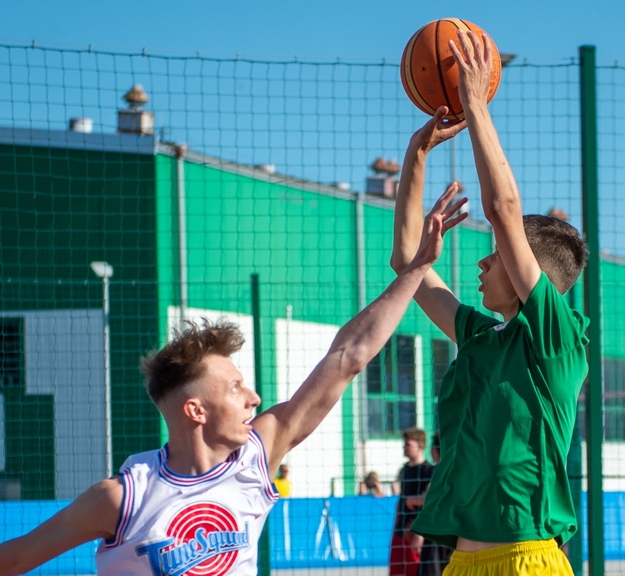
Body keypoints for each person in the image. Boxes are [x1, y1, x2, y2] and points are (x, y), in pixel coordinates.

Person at [0, 185, 467, 576]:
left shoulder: (257, 457)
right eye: (235, 387)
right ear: (195, 410)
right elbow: (17, 556)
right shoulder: (123, 497)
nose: (254, 397)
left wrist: (417, 270)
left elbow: (346, 358)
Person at [390, 29, 589, 576]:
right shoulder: (480, 336)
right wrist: (417, 154)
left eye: (495, 256)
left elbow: (503, 208)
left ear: (531, 268)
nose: (481, 264)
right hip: (461, 561)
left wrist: (476, 104)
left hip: (528, 558)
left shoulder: (555, 340)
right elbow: (407, 261)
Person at [390, 427, 434, 576]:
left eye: (408, 445)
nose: (405, 448)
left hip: (415, 531)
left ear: (420, 446)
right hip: (400, 530)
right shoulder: (404, 470)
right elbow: (401, 500)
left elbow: (430, 503)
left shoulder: (429, 470)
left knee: (415, 571)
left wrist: (419, 535)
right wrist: (396, 525)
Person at [417, 433, 451, 576]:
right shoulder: (462, 469)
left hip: (436, 536)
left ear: (435, 450)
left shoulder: (438, 471)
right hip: (457, 535)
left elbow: (430, 502)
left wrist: (419, 534)